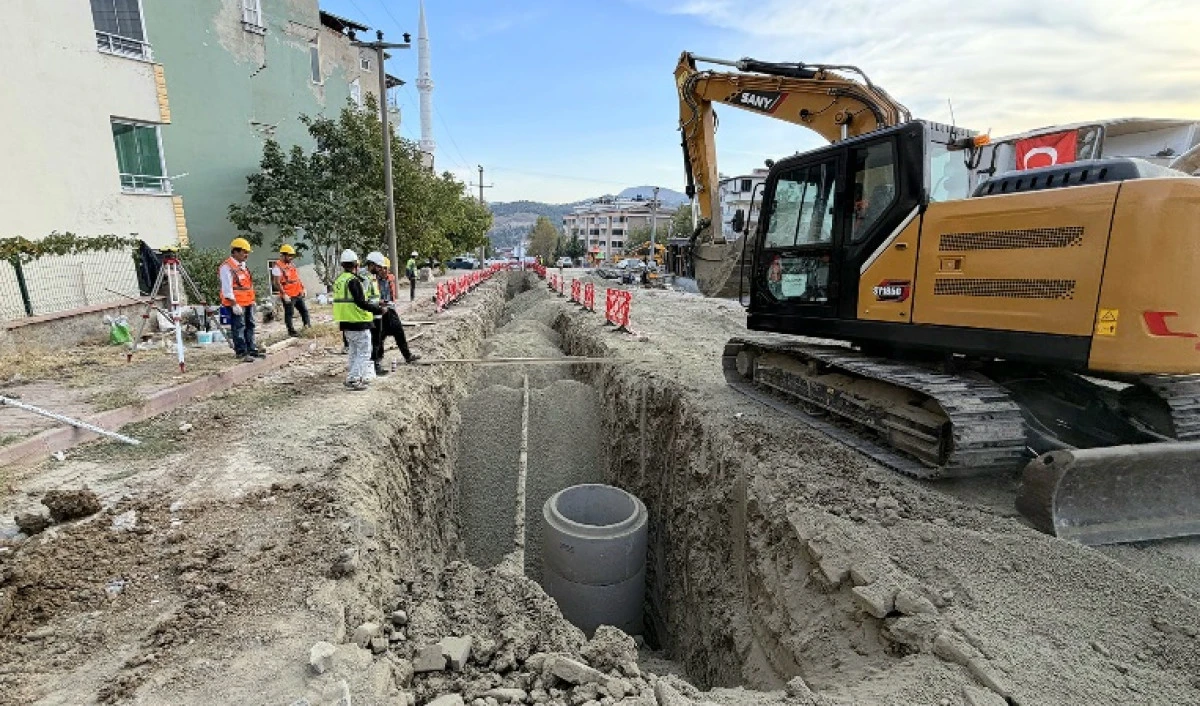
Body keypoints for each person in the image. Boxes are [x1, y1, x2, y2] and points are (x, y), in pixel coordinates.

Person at [333, 250, 383, 391]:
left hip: (345, 321)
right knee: (364, 352)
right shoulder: (353, 281)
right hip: (358, 321)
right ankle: (354, 379)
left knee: (354, 352)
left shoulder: (339, 280)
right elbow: (361, 303)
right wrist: (379, 310)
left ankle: (354, 376)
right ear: (356, 264)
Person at [219, 238, 260, 362]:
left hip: (248, 302)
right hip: (236, 303)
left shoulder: (243, 266)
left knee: (250, 325)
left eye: (247, 252)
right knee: (239, 327)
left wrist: (252, 300)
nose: (246, 255)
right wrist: (233, 304)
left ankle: (251, 349)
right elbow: (227, 288)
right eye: (244, 252)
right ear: (235, 252)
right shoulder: (227, 267)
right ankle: (241, 352)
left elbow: (247, 286)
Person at [377, 256, 421, 366]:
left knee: (399, 332)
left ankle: (407, 356)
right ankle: (378, 359)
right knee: (379, 336)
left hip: (390, 310)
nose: (383, 271)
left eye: (386, 268)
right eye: (381, 268)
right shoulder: (374, 281)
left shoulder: (390, 278)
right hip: (379, 311)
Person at [272, 244, 310, 337]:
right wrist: (284, 294)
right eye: (289, 255)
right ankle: (291, 331)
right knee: (289, 313)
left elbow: (297, 278)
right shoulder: (277, 267)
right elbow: (276, 283)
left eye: (292, 255)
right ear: (283, 255)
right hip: (288, 295)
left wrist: (303, 288)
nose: (291, 257)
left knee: (304, 310)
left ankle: (307, 326)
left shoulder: (291, 265)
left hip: (297, 292)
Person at [364, 251, 390, 378]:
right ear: (372, 265)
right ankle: (373, 366)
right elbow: (363, 298)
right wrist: (376, 307)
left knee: (377, 340)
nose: (380, 269)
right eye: (379, 267)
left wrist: (380, 302)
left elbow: (372, 296)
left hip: (377, 312)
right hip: (370, 314)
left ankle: (376, 364)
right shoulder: (365, 278)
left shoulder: (372, 277)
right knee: (373, 341)